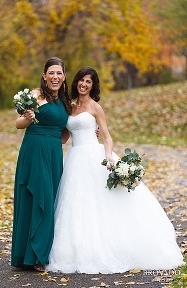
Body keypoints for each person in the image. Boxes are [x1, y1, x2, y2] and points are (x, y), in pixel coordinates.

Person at [47, 67, 184, 273]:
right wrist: (44, 137)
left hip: (94, 156)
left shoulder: (95, 108)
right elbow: (65, 137)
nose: (84, 84)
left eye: (88, 81)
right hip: (75, 159)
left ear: (93, 85)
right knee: (76, 204)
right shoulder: (69, 107)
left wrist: (109, 155)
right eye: (81, 80)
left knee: (103, 204)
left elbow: (107, 136)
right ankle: (78, 248)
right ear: (75, 82)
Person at [11, 57, 71, 271]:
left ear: (64, 77)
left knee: (50, 198)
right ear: (44, 75)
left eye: (59, 73)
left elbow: (64, 136)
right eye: (51, 73)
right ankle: (35, 256)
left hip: (54, 152)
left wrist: (89, 131)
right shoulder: (35, 95)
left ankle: (36, 252)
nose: (55, 77)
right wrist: (27, 117)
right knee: (37, 197)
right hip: (34, 150)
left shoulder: (65, 102)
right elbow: (18, 124)